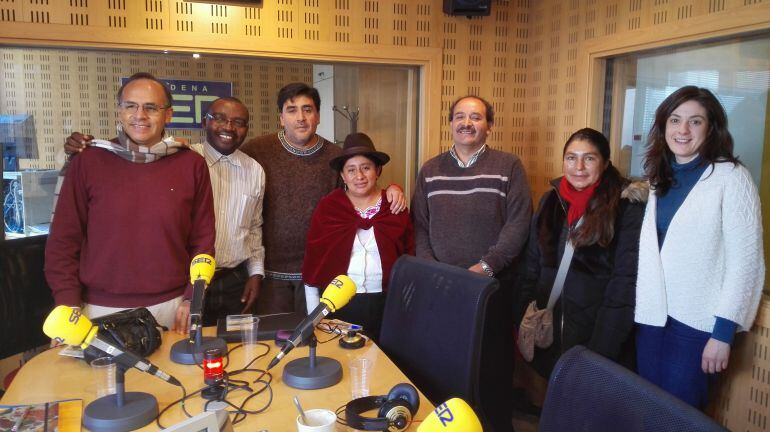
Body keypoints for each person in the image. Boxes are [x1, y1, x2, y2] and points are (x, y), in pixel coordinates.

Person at [64, 97, 266, 326]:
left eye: (238, 122)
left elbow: (254, 227)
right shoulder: (180, 160)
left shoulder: (255, 170)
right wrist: (77, 148)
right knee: (185, 353)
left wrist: (255, 273)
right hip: (187, 284)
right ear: (204, 122)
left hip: (234, 281)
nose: (229, 127)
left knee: (234, 352)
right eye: (219, 118)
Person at [45, 72, 215, 332]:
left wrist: (193, 297)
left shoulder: (191, 164)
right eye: (131, 106)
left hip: (172, 308)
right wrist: (67, 304)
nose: (140, 115)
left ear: (168, 114)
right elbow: (63, 241)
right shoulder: (88, 161)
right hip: (96, 310)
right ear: (119, 112)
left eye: (151, 107)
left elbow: (202, 239)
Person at [635, 86, 765, 409]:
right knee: (647, 414)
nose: (682, 130)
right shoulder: (659, 176)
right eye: (675, 120)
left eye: (695, 122)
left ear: (711, 128)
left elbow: (746, 262)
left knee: (679, 419)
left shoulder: (732, 177)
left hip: (697, 328)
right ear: (664, 125)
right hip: (652, 321)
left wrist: (722, 334)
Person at [411, 95, 532, 432]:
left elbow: (519, 224)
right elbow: (419, 224)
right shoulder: (430, 170)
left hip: (491, 287)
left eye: (476, 117)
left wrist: (485, 268)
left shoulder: (509, 166)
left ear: (488, 125)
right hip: (442, 289)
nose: (467, 123)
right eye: (460, 116)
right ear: (450, 123)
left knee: (492, 370)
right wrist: (431, 269)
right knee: (444, 367)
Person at [239, 82, 405, 315]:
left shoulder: (336, 158)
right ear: (281, 117)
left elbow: (360, 192)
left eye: (308, 110)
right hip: (269, 273)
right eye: (292, 110)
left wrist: (393, 189)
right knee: (275, 339)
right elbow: (230, 172)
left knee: (316, 342)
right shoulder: (257, 151)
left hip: (323, 275)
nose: (300, 118)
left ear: (318, 116)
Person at [517, 128, 645, 378]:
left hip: (596, 333)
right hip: (550, 324)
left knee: (590, 403)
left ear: (606, 163)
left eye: (589, 158)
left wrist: (603, 348)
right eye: (571, 157)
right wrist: (521, 312)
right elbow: (531, 264)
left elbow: (625, 283)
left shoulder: (625, 208)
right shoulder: (550, 201)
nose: (579, 167)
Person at [301, 133, 414, 340]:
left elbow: (410, 255)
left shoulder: (395, 206)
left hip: (388, 303)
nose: (359, 176)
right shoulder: (329, 208)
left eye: (366, 168)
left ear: (377, 170)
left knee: (387, 365)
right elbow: (313, 260)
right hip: (339, 304)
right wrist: (314, 317)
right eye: (351, 170)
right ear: (343, 176)